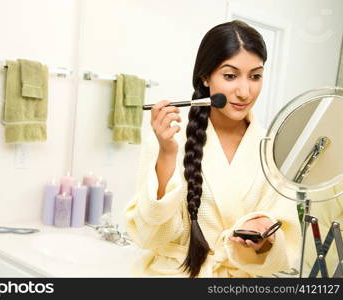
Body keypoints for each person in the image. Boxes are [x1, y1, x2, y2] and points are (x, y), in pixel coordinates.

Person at [124, 20, 302, 278]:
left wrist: (265, 237)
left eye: (255, 76)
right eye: (230, 76)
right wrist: (167, 153)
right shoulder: (170, 136)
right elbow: (150, 234)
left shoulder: (270, 148)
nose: (244, 91)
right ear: (205, 77)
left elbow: (286, 243)